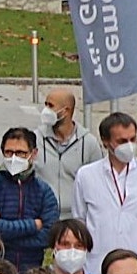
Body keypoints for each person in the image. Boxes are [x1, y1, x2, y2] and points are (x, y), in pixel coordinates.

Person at [72, 112, 137, 274]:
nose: (129, 146)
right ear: (105, 141)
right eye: (122, 141)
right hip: (99, 264)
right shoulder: (87, 175)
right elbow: (80, 220)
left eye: (132, 139)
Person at [0, 127, 58, 273]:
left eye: (20, 153)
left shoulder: (44, 191)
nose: (14, 158)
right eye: (9, 152)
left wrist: (5, 236)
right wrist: (33, 225)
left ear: (33, 154)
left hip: (32, 270)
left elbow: (48, 236)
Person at [36, 88, 101, 219]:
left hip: (75, 219)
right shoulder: (35, 139)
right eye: (46, 105)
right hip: (43, 217)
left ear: (66, 111)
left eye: (51, 106)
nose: (46, 110)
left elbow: (98, 183)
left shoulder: (88, 143)